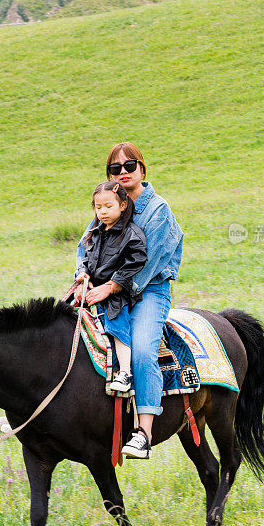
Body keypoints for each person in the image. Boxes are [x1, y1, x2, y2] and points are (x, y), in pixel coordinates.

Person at [75, 142, 183, 460]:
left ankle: (144, 433)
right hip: (107, 289)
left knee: (144, 349)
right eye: (115, 168)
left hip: (148, 291)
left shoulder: (158, 209)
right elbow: (86, 246)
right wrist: (83, 278)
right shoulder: (109, 204)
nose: (123, 172)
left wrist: (110, 288)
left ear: (142, 168)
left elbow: (150, 261)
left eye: (129, 165)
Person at [76, 181, 147, 396]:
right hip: (91, 289)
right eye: (98, 207)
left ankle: (124, 373)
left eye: (108, 206)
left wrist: (113, 284)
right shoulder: (96, 231)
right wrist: (83, 275)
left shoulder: (132, 235)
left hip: (115, 295)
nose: (103, 212)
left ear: (123, 205)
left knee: (118, 326)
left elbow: (136, 262)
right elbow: (86, 257)